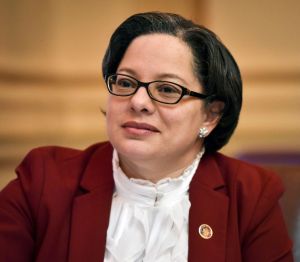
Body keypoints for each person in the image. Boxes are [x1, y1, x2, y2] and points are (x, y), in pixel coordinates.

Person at [0, 12, 293, 262]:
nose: (138, 101)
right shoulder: (43, 180)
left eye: (167, 89)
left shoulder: (251, 195)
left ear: (210, 115)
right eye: (126, 82)